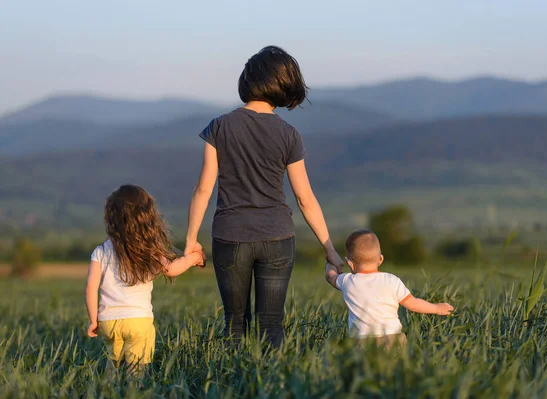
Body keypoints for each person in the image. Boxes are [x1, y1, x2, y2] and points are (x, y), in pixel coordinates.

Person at [184, 45, 344, 348]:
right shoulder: (289, 134)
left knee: (234, 323)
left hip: (230, 237)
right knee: (271, 324)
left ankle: (232, 386)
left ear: (249, 82)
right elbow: (305, 198)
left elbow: (204, 188)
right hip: (277, 238)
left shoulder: (219, 126)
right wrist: (329, 249)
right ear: (283, 83)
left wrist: (191, 241)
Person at [85, 184, 205, 376]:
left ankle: (108, 389)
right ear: (147, 218)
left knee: (113, 364)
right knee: (137, 370)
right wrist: (193, 258)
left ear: (112, 218)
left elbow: (91, 287)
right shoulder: (148, 250)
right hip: (138, 320)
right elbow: (171, 269)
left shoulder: (101, 251)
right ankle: (134, 390)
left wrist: (93, 319)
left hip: (109, 321)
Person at [325, 229, 454, 347]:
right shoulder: (392, 280)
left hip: (361, 342)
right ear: (380, 259)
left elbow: (330, 276)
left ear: (350, 264)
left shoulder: (348, 281)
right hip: (393, 340)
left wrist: (330, 260)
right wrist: (436, 308)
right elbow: (413, 304)